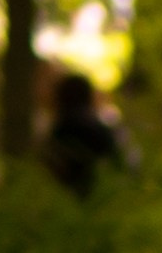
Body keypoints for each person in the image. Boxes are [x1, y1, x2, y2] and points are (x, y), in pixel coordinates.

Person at [43, 69, 127, 197]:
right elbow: (117, 162)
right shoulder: (99, 128)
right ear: (88, 96)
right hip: (99, 198)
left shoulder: (59, 130)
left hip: (64, 196)